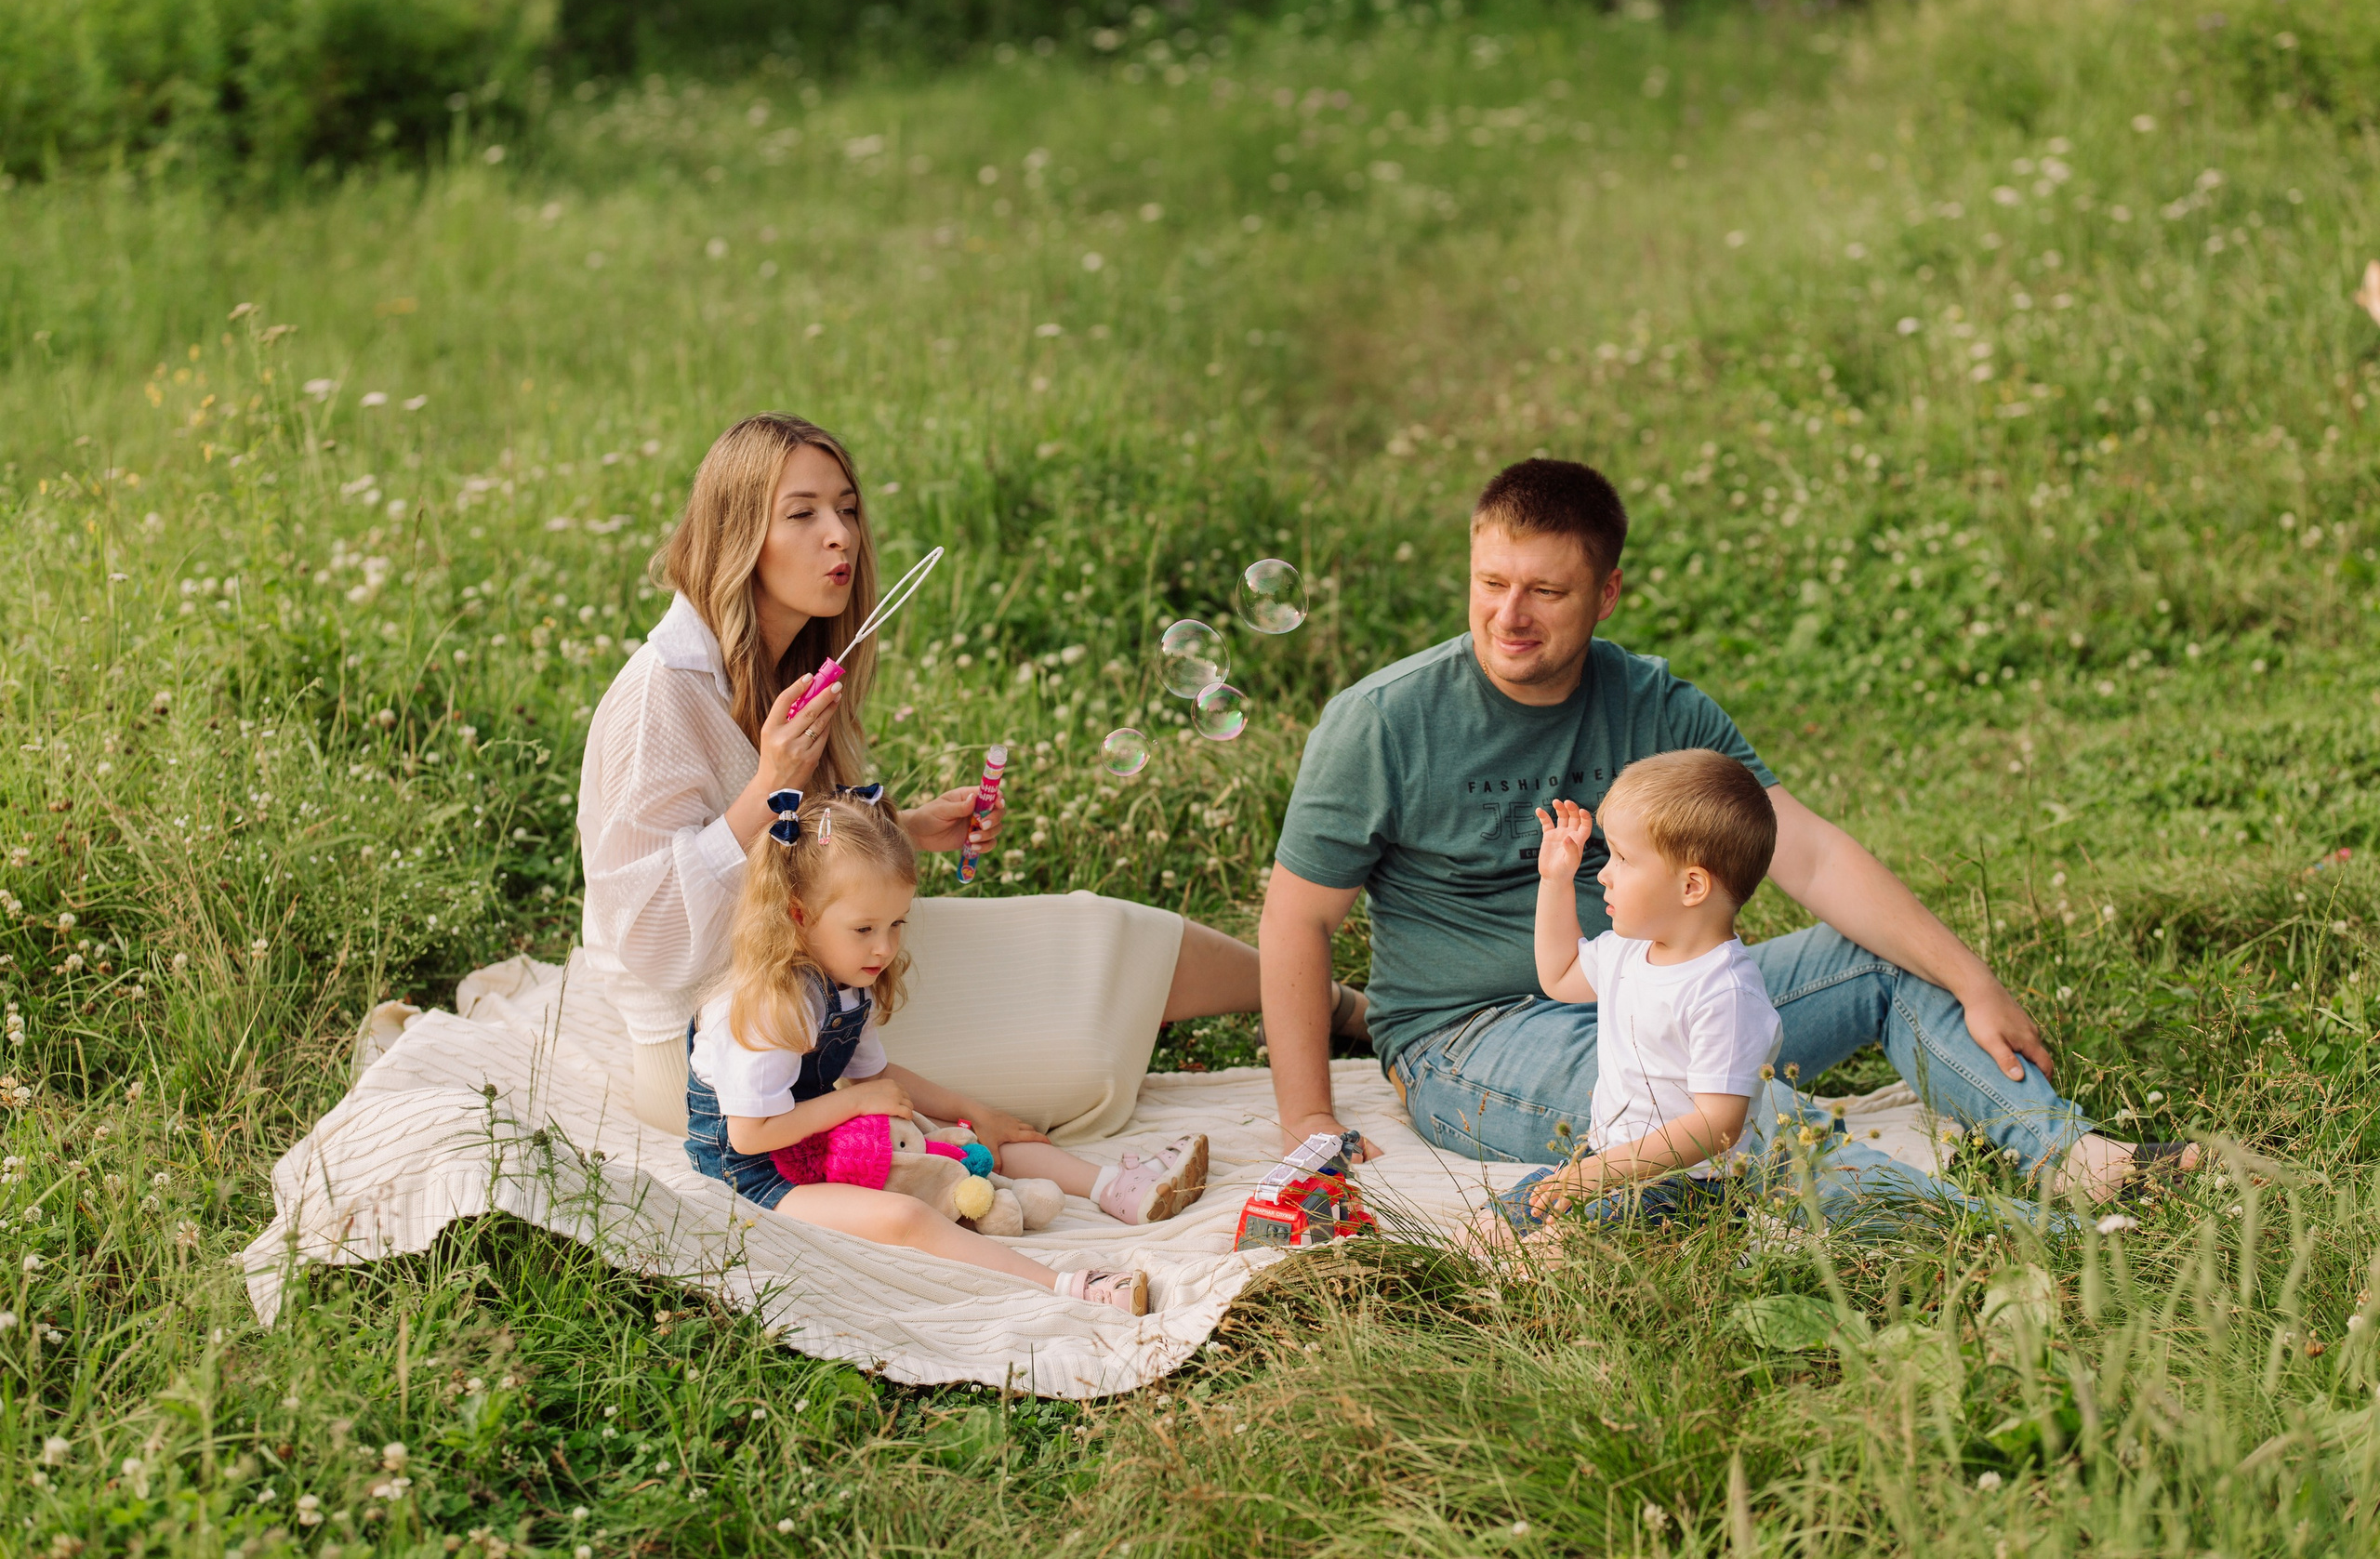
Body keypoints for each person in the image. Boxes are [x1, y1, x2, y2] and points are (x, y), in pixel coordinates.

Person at [1262, 457, 2195, 1204]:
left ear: (1607, 591)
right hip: (1472, 1034)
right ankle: (1974, 1234)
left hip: (1656, 982)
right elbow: (1296, 921)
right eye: (1490, 581)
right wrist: (1308, 1115)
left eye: (1545, 590)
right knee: (1718, 1105)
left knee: (1881, 961)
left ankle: (2080, 1164)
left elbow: (1811, 851)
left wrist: (1972, 978)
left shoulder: (1651, 701)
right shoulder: (1380, 721)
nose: (1509, 615)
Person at [578, 413, 1336, 1135]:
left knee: (1088, 927)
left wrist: (901, 832)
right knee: (1082, 1058)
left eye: (846, 509)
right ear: (737, 535)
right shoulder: (663, 693)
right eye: (802, 514)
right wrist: (763, 789)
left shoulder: (797, 665)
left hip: (815, 976)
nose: (839, 535)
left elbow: (795, 858)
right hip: (722, 1056)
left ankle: (1336, 1005)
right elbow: (647, 939)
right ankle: (1323, 1005)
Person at [684, 785, 1208, 1315]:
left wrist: (972, 1112)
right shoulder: (773, 1005)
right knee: (904, 1218)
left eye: (895, 924)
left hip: (815, 1139)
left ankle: (1118, 1188)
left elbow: (875, 1075)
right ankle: (1072, 1287)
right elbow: (751, 1136)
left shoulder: (843, 979)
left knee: (956, 1138)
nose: (885, 948)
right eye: (864, 928)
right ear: (799, 916)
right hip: (753, 1176)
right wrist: (854, 1105)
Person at [1484, 751, 1780, 1238]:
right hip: (1602, 1168)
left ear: (1691, 886)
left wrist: (1605, 1174)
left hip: (1689, 1194)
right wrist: (1555, 882)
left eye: (1623, 858)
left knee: (1553, 1253)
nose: (1604, 872)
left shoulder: (1724, 991)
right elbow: (1559, 975)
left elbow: (1717, 1125)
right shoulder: (1628, 950)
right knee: (1486, 1231)